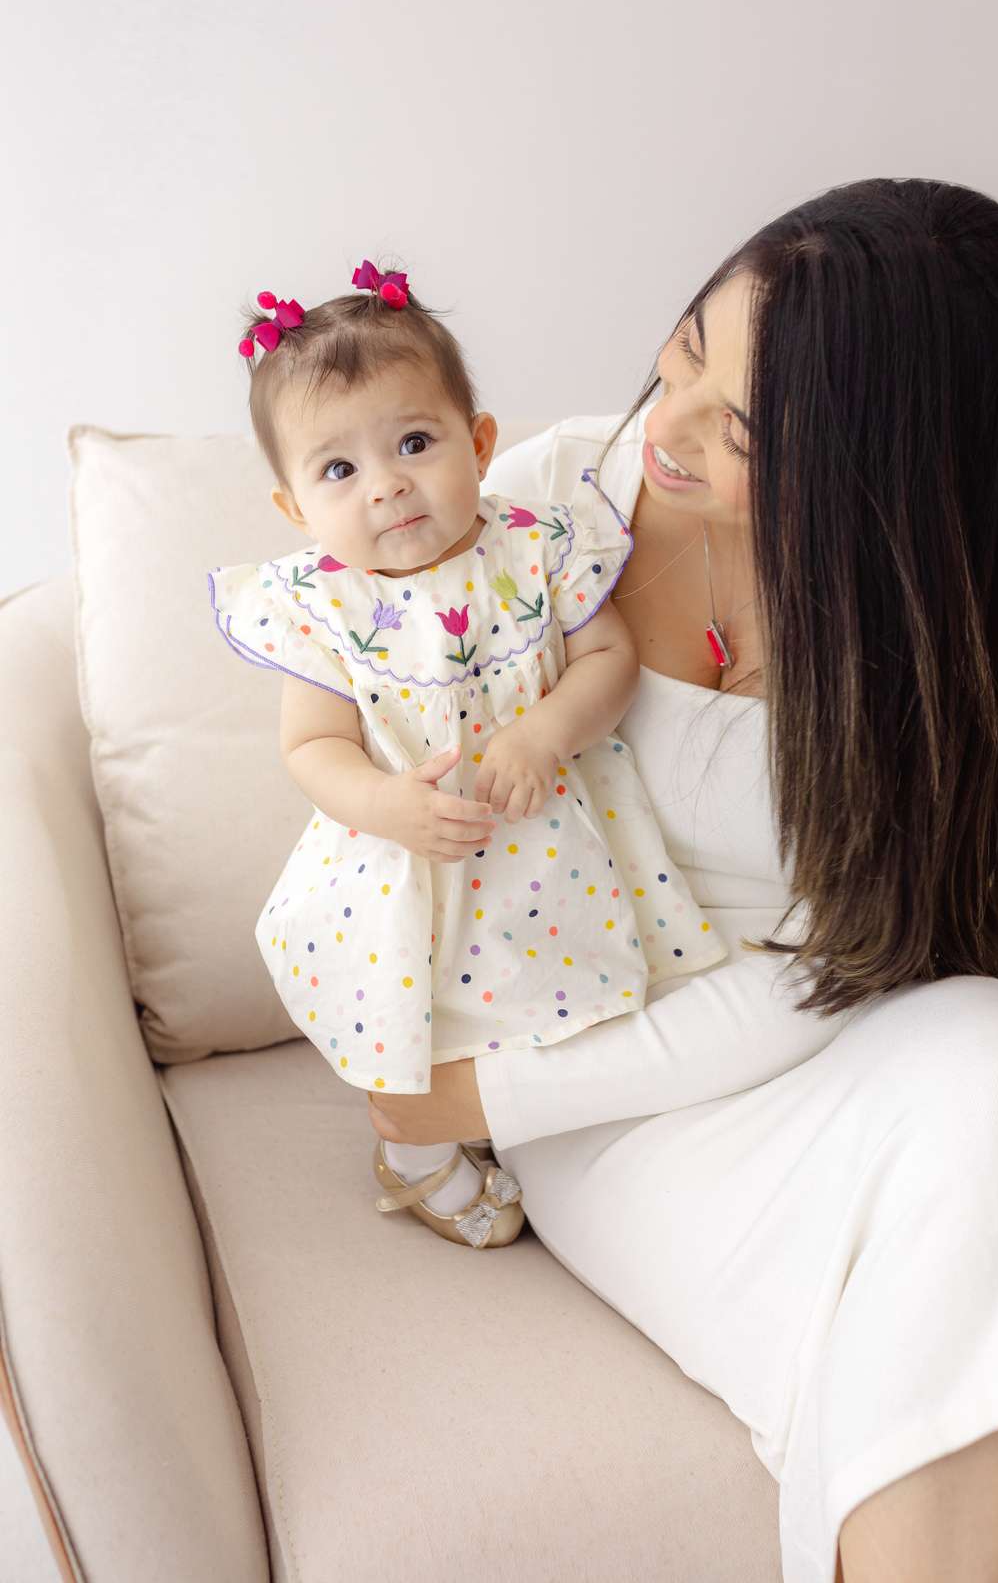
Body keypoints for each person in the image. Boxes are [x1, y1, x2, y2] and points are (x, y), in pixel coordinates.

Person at [369, 181, 998, 1580]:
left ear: (877, 469)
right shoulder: (533, 516)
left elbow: (857, 964)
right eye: (682, 353)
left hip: (832, 1017)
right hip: (606, 1072)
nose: (663, 428)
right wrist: (479, 1084)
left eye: (739, 431)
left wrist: (479, 1105)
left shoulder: (925, 633)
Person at [208, 261, 724, 1248]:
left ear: (479, 443)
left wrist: (544, 731)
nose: (387, 484)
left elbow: (609, 659)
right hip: (409, 854)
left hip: (543, 836)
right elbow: (311, 745)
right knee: (418, 1007)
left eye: (414, 442)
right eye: (338, 470)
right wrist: (383, 803)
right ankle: (414, 1149)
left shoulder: (537, 548)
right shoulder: (323, 606)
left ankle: (536, 1116)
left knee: (557, 978)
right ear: (294, 509)